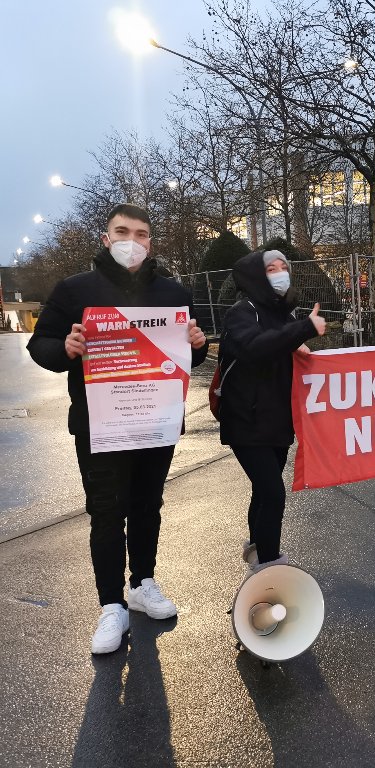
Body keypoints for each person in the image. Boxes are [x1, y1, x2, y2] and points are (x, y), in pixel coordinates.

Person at [27, 204, 208, 654]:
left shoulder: (173, 293)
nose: (132, 241)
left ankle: (143, 583)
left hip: (155, 422)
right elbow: (40, 344)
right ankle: (111, 605)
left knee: (148, 506)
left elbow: (189, 355)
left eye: (141, 234)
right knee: (107, 513)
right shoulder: (75, 289)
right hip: (100, 425)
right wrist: (65, 347)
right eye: (122, 232)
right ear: (106, 239)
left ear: (150, 242)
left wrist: (198, 345)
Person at [218, 250, 326, 570]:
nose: (280, 273)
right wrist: (303, 329)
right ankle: (269, 564)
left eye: (283, 267)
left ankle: (256, 547)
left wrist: (300, 344)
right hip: (246, 421)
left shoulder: (285, 316)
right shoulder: (242, 312)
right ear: (256, 276)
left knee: (263, 490)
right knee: (273, 493)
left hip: (277, 420)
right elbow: (254, 347)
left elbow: (284, 347)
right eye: (271, 268)